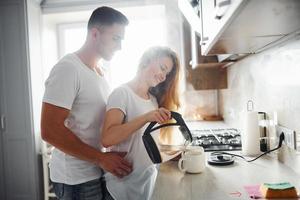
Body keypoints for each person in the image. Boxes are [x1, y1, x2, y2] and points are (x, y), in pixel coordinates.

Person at [41, 6, 132, 200]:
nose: (120, 47)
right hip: (75, 179)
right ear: (94, 34)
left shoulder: (100, 73)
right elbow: (49, 130)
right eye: (116, 38)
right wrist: (101, 158)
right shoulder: (68, 68)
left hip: (97, 171)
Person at [101, 46, 181, 200]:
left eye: (167, 73)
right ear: (147, 60)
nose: (163, 77)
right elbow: (107, 138)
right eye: (162, 68)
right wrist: (145, 117)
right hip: (122, 186)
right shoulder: (121, 93)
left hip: (147, 183)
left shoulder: (153, 101)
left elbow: (144, 144)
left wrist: (173, 152)